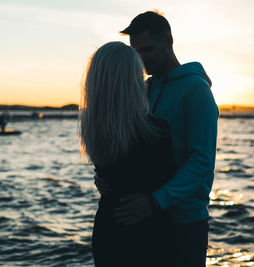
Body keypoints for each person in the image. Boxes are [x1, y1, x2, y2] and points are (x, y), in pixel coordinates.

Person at [95, 11, 219, 266]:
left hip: (185, 221)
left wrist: (155, 200)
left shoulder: (196, 91)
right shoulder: (144, 89)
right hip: (149, 223)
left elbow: (201, 162)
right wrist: (108, 177)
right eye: (136, 52)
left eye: (147, 49)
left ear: (168, 41)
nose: (141, 59)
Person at [80, 41, 176, 266]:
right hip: (148, 236)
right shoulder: (156, 132)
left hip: (108, 230)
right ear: (131, 80)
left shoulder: (94, 129)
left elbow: (109, 178)